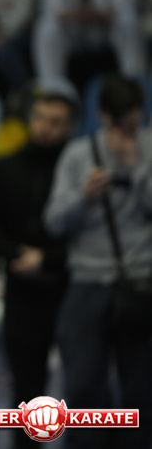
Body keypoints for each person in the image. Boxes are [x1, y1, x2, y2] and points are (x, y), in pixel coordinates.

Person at [44, 74, 152, 449]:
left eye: (134, 121)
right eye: (120, 121)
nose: (127, 130)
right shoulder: (79, 154)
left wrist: (135, 168)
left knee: (142, 391)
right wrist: (84, 195)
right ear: (103, 116)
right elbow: (53, 220)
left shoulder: (149, 147)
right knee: (83, 386)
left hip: (141, 280)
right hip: (88, 281)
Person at [0, 84, 77, 449]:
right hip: (21, 288)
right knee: (27, 390)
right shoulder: (4, 168)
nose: (46, 127)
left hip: (70, 287)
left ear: (70, 127)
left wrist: (47, 259)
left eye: (56, 121)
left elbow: (86, 230)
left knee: (81, 385)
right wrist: (16, 253)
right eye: (41, 118)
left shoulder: (77, 173)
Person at [33, 0, 146, 84]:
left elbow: (125, 1)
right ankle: (52, 89)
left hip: (107, 27)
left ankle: (135, 86)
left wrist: (97, 12)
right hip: (71, 28)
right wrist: (80, 14)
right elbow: (51, 6)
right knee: (47, 29)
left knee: (128, 22)